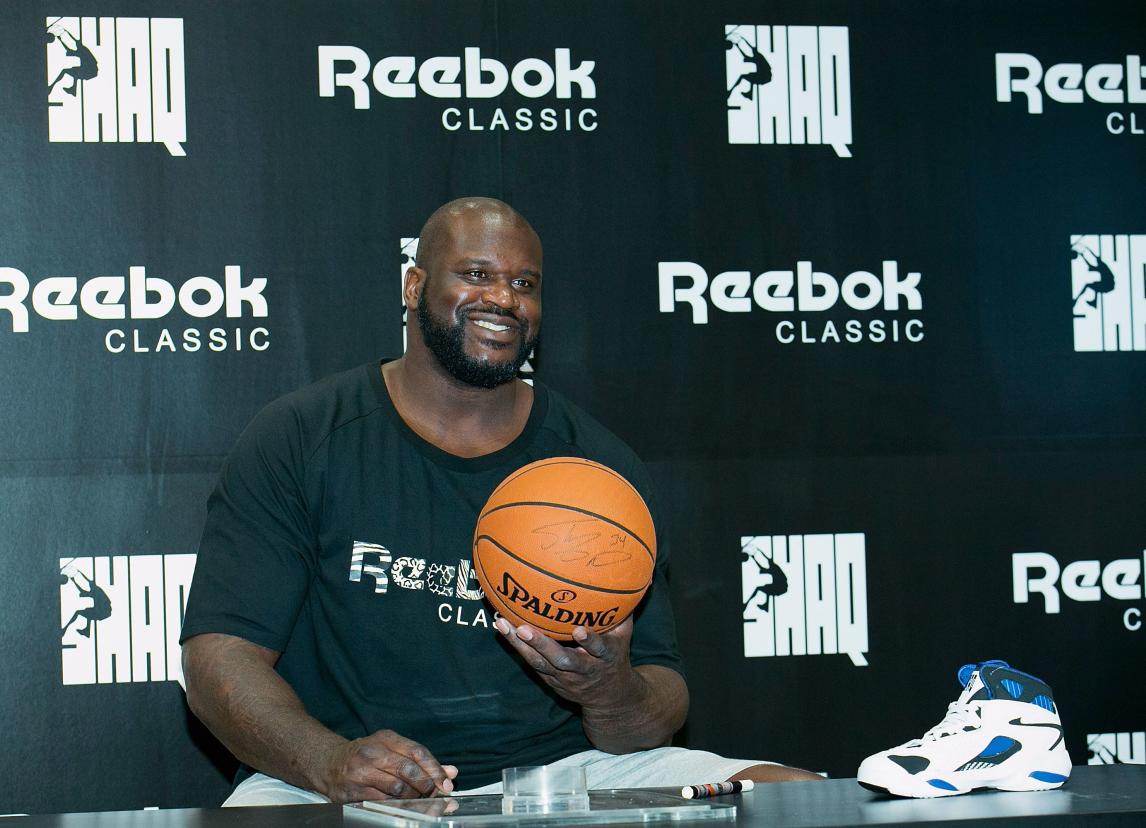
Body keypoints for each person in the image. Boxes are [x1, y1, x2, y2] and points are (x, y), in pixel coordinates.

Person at [180, 197, 821, 806]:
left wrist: (607, 688)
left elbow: (655, 707)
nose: (503, 299)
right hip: (329, 776)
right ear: (413, 286)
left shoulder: (597, 471)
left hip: (563, 775)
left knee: (804, 798)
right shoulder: (303, 436)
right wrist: (329, 761)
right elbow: (218, 659)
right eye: (477, 273)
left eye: (525, 283)